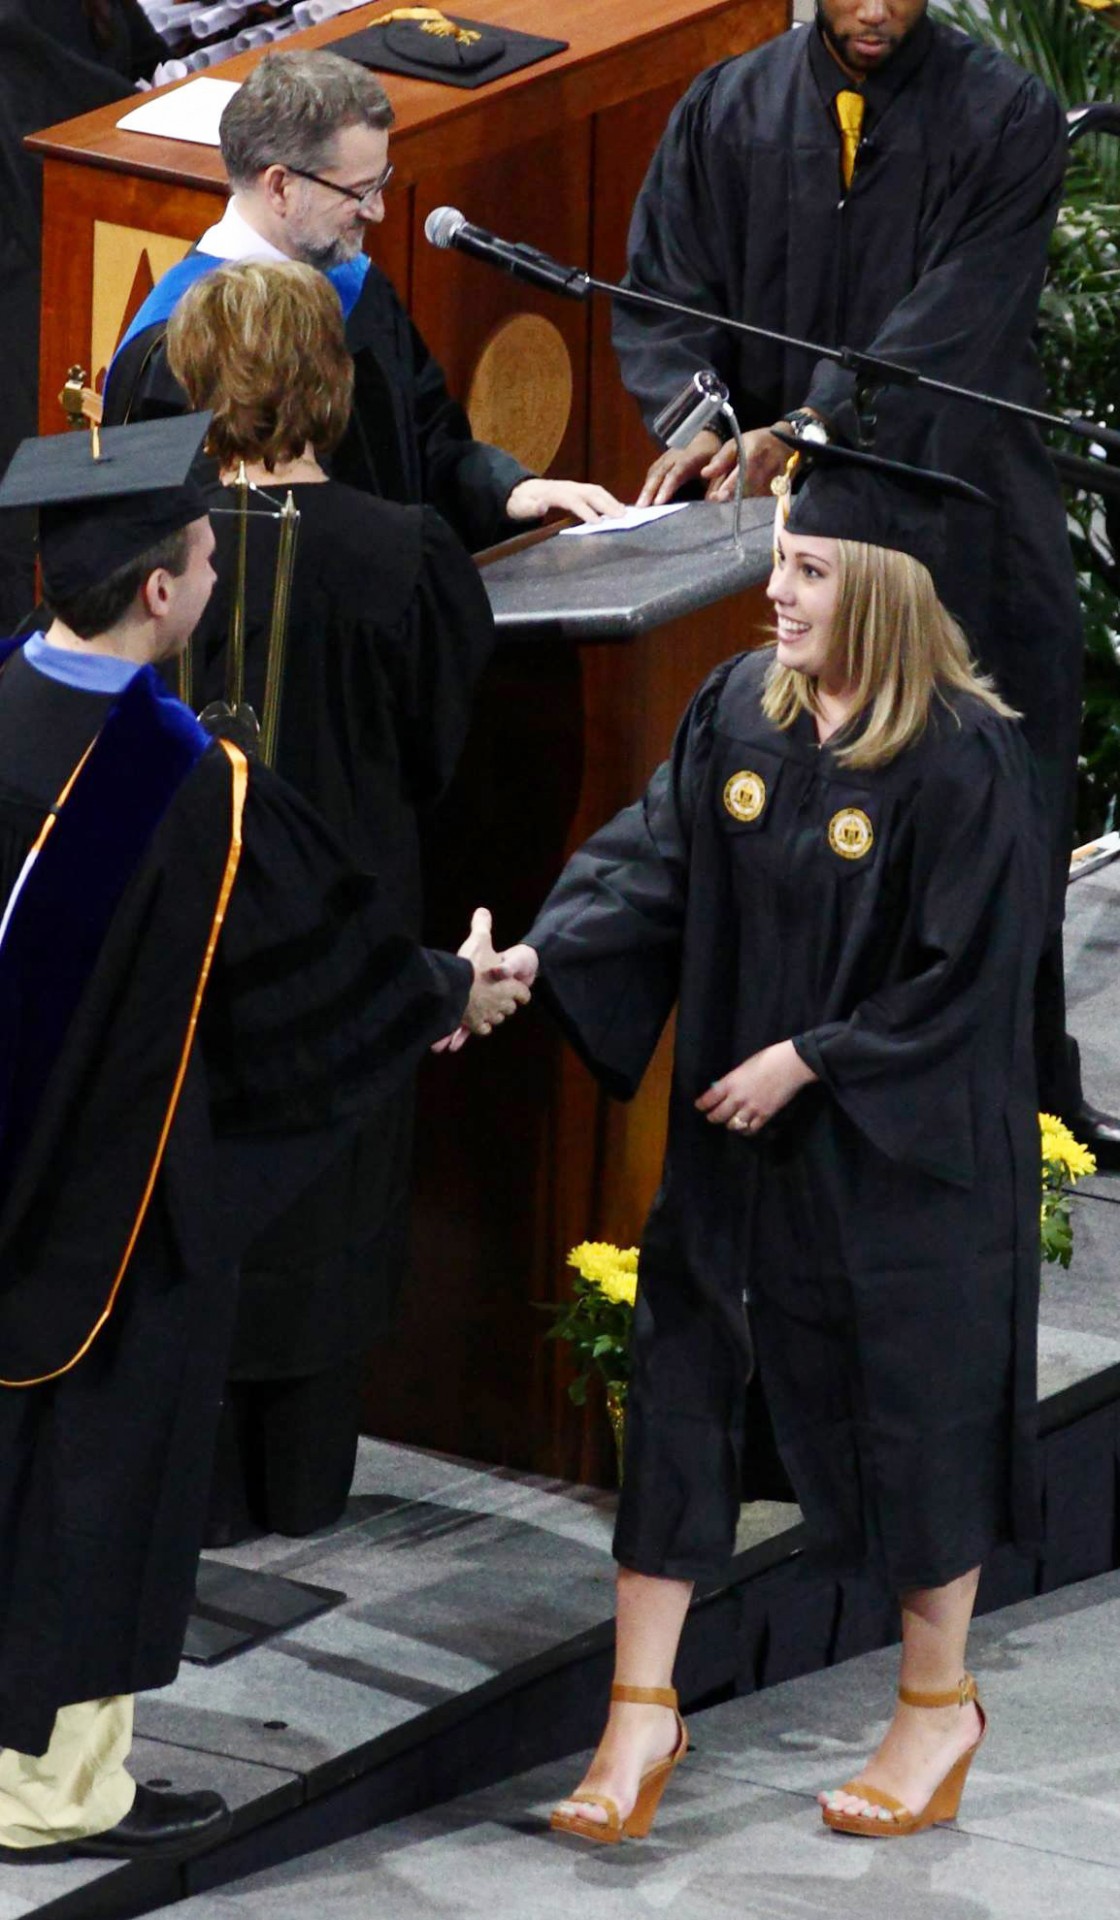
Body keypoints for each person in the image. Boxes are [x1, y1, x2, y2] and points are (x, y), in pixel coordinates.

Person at [499, 438, 1048, 1842]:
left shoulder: (966, 758)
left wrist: (813, 1057)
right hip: (736, 1156)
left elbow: (970, 980)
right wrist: (535, 969)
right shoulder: (740, 708)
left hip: (897, 1170)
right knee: (684, 1394)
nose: (776, 592)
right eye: (781, 558)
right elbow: (651, 863)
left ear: (874, 588)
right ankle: (641, 1713)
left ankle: (937, 1711)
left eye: (806, 568)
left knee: (911, 1421)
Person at [0, 415, 527, 1858]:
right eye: (208, 556)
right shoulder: (181, 783)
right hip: (112, 1221)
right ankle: (51, 1793)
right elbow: (318, 977)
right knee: (93, 1487)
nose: (219, 571)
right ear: (160, 592)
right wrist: (454, 990)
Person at [612, 0, 1114, 1156]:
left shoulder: (1005, 112)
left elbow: (952, 326)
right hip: (780, 543)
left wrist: (811, 425)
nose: (877, 8)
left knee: (1002, 814)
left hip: (963, 526)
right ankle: (798, 1089)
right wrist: (703, 423)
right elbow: (663, 290)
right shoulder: (727, 109)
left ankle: (1018, 1099)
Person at [162, 257, 497, 1540]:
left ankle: (188, 1499)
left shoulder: (148, 546)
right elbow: (433, 753)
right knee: (332, 1196)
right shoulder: (403, 555)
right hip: (346, 938)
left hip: (181, 939)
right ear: (334, 384)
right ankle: (299, 1492)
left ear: (197, 379)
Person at [101, 47, 623, 549]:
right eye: (358, 191)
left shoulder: (354, 287)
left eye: (382, 184)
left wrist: (507, 488)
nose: (377, 211)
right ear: (280, 187)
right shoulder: (176, 346)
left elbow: (429, 440)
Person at [0, 0, 168, 629]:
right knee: (28, 534)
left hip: (65, 278)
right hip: (36, 295)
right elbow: (95, 127)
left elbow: (146, 63)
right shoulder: (18, 22)